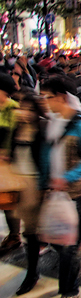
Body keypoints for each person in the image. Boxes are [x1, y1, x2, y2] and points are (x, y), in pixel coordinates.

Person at [39, 77, 81, 298]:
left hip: (72, 193)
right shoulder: (52, 121)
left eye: (48, 97)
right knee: (57, 239)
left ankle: (69, 289)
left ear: (62, 97)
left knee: (69, 245)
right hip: (52, 191)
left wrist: (67, 177)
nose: (44, 102)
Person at [11, 92, 46, 294]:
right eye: (22, 107)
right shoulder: (16, 128)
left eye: (30, 109)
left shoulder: (42, 129)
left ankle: (32, 273)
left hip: (35, 185)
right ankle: (32, 272)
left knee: (32, 232)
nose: (25, 112)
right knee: (29, 231)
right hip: (19, 184)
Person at [0, 73, 21, 253]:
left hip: (7, 165)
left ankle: (15, 235)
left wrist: (6, 153)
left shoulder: (14, 109)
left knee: (8, 202)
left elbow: (15, 137)